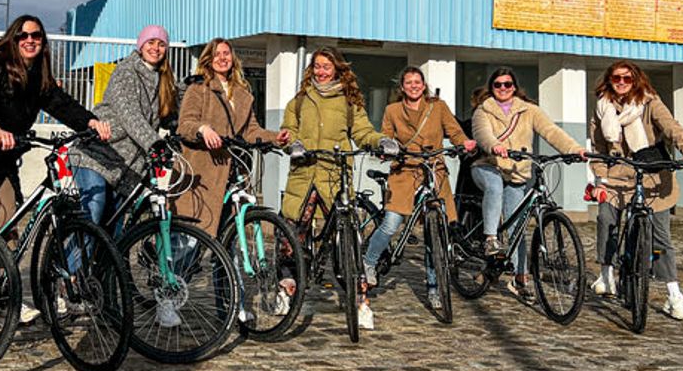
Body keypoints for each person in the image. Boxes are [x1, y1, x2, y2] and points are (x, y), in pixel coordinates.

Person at [0, 14, 111, 321]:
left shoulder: (38, 75)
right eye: (23, 36)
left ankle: (1, 294)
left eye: (36, 36)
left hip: (2, 161)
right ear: (13, 39)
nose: (30, 40)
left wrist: (90, 122)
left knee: (6, 226)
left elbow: (60, 103)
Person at [279, 46, 386, 331]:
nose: (321, 72)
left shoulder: (350, 102)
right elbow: (289, 130)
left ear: (337, 69)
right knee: (292, 235)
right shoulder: (299, 101)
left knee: (346, 243)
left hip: (335, 177)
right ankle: (286, 288)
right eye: (317, 66)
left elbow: (362, 132)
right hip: (304, 175)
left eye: (327, 66)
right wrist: (294, 144)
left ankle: (360, 300)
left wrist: (379, 141)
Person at [588, 60, 683, 321]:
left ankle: (674, 295)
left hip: (652, 177)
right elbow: (598, 147)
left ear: (636, 80)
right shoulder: (602, 107)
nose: (622, 83)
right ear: (609, 80)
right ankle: (606, 273)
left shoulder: (649, 102)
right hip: (617, 176)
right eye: (616, 78)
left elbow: (672, 127)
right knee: (606, 218)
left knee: (661, 237)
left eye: (627, 78)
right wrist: (600, 178)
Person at [363, 66, 476, 311]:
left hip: (434, 171)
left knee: (436, 232)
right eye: (409, 82)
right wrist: (386, 149)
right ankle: (369, 262)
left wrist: (464, 143)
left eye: (417, 82)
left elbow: (454, 130)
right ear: (402, 87)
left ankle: (434, 287)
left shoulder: (438, 107)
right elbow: (386, 135)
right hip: (404, 171)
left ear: (424, 86)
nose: (413, 86)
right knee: (391, 223)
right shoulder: (393, 110)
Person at [470, 66, 584, 302]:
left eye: (507, 84)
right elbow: (482, 134)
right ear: (492, 87)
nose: (503, 88)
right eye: (498, 84)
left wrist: (574, 149)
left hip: (517, 172)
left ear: (514, 87)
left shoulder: (529, 110)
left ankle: (520, 278)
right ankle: (490, 238)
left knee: (517, 227)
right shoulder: (484, 110)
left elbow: (551, 131)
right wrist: (494, 146)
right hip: (488, 165)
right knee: (494, 187)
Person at [176, 38, 291, 236]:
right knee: (193, 237)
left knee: (229, 234)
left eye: (226, 53)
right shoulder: (199, 88)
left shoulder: (242, 92)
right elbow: (185, 125)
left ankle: (227, 257)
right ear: (208, 59)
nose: (222, 58)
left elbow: (250, 131)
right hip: (203, 174)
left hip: (233, 174)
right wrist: (203, 129)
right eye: (217, 54)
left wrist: (275, 137)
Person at [73, 24, 178, 231]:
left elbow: (169, 117)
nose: (156, 48)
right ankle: (72, 254)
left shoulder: (163, 79)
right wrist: (155, 143)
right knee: (94, 215)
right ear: (141, 46)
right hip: (98, 155)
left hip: (127, 167)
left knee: (114, 232)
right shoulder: (126, 71)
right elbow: (130, 115)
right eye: (151, 42)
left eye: (161, 44)